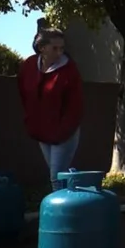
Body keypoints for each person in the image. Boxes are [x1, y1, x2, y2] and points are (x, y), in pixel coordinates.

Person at [17, 28, 84, 191]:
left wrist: (63, 131)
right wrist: (31, 121)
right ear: (42, 48)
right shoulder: (29, 66)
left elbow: (76, 105)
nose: (60, 52)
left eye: (62, 48)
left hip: (64, 132)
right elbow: (24, 93)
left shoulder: (69, 69)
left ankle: (61, 214)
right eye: (55, 48)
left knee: (56, 177)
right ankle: (77, 199)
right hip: (42, 131)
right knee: (60, 174)